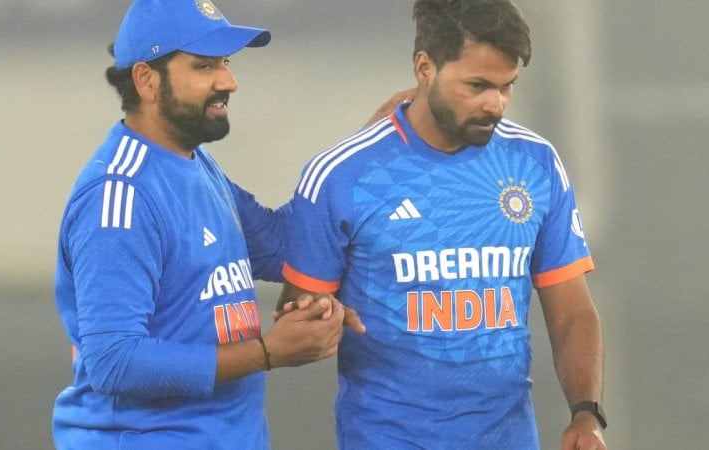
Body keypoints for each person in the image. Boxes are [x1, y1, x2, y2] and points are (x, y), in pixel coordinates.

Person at [50, 0, 408, 447]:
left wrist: (361, 154)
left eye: (225, 62)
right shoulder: (119, 195)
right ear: (146, 80)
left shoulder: (195, 164)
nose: (229, 81)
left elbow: (281, 247)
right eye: (204, 66)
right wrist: (269, 351)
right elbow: (115, 362)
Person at [277, 0, 608, 449]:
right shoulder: (343, 174)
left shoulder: (535, 163)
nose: (495, 104)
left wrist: (586, 415)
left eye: (507, 86)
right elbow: (297, 317)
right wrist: (318, 320)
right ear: (425, 67)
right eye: (477, 85)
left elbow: (571, 312)